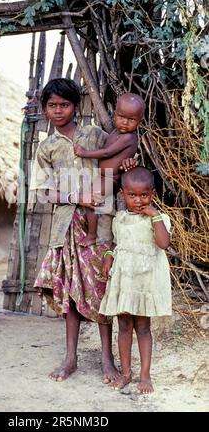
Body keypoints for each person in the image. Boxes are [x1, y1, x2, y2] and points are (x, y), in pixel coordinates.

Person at [30, 78, 125, 383]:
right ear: (45, 108)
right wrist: (74, 197)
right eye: (52, 105)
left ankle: (107, 359)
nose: (58, 111)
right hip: (66, 226)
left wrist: (126, 164)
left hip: (100, 222)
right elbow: (43, 193)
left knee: (101, 289)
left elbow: (116, 167)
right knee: (70, 290)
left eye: (64, 104)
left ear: (76, 106)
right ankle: (70, 358)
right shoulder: (47, 148)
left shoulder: (96, 136)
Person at [99, 166, 172, 394]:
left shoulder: (159, 218)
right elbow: (116, 244)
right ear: (123, 195)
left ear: (152, 194)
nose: (138, 200)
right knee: (123, 326)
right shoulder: (119, 219)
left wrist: (155, 216)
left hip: (145, 283)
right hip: (125, 282)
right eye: (132, 195)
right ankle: (126, 373)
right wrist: (109, 257)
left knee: (143, 327)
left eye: (144, 195)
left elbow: (163, 243)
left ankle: (145, 376)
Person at [74, 92, 145, 246]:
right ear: (115, 115)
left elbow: (107, 152)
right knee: (90, 200)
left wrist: (84, 153)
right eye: (121, 117)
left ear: (139, 121)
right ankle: (90, 230)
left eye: (131, 119)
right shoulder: (115, 132)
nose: (125, 122)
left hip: (111, 178)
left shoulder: (129, 138)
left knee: (89, 199)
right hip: (103, 176)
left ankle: (92, 235)